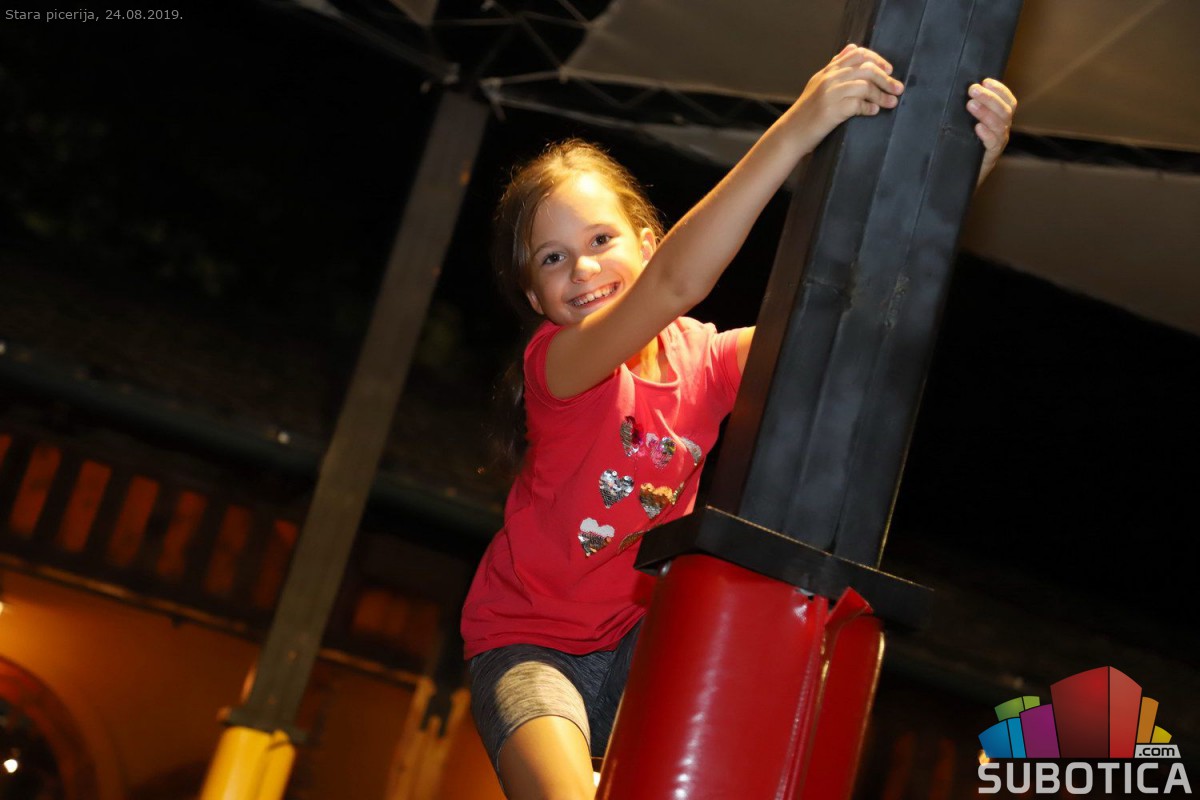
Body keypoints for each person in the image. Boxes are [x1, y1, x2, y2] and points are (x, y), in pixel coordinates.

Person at [461, 44, 1017, 800]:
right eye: (552, 259)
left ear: (646, 240)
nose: (583, 270)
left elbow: (848, 321)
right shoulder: (559, 367)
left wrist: (955, 180)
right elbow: (675, 283)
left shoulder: (705, 360)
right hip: (532, 644)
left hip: (642, 638)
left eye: (600, 241)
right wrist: (799, 125)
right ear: (534, 298)